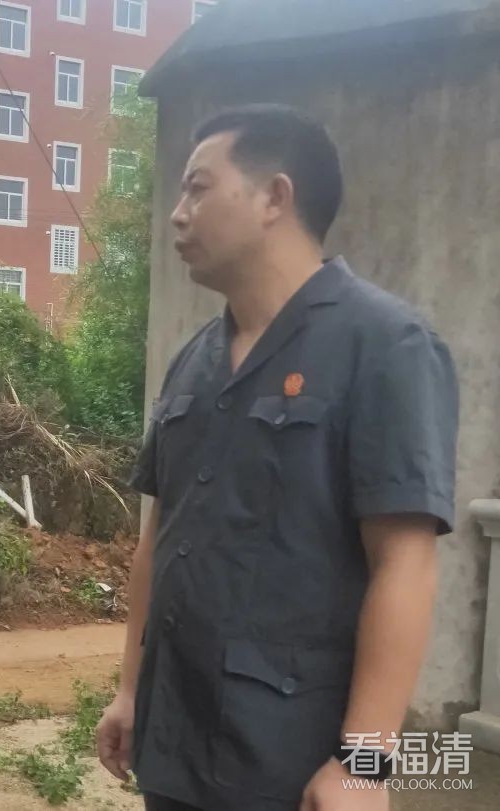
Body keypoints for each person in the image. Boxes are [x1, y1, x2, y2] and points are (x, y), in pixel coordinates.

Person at [95, 104, 458, 811]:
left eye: (198, 188)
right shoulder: (193, 360)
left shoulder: (385, 345)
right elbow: (158, 536)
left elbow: (406, 563)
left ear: (274, 197)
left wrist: (363, 763)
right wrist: (132, 690)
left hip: (288, 758)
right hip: (174, 743)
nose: (177, 214)